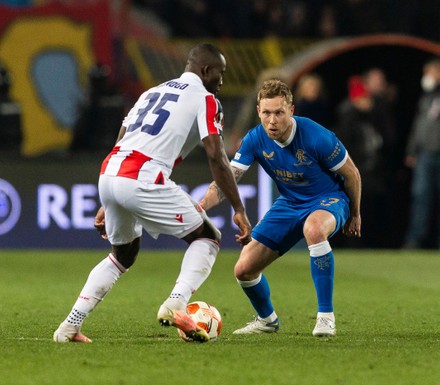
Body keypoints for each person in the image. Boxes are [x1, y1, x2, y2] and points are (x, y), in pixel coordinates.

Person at [53, 43, 252, 343]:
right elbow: (216, 155)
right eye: (220, 74)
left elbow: (124, 137)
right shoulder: (206, 99)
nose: (222, 82)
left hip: (111, 170)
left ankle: (69, 326)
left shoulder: (151, 92)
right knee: (208, 237)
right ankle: (176, 303)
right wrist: (238, 207)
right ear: (206, 70)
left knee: (122, 256)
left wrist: (108, 199)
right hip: (144, 175)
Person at [200, 79, 361, 337]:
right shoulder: (255, 139)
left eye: (278, 112)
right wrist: (200, 206)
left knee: (314, 228)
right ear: (258, 111)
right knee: (244, 269)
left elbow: (352, 174)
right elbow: (226, 181)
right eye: (266, 113)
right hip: (289, 203)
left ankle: (325, 317)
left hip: (328, 199)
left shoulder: (317, 136)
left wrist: (354, 213)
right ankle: (267, 320)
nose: (272, 120)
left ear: (291, 110)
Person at [334, 75, 388, 248]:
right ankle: (354, 245)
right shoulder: (348, 119)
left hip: (372, 172)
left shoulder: (375, 117)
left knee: (371, 211)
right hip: (356, 172)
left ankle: (367, 243)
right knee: (355, 209)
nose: (367, 102)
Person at [404, 58, 440, 249]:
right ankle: (415, 240)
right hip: (425, 154)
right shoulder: (427, 98)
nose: (427, 78)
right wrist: (412, 150)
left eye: (430, 73)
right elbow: (419, 126)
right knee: (421, 198)